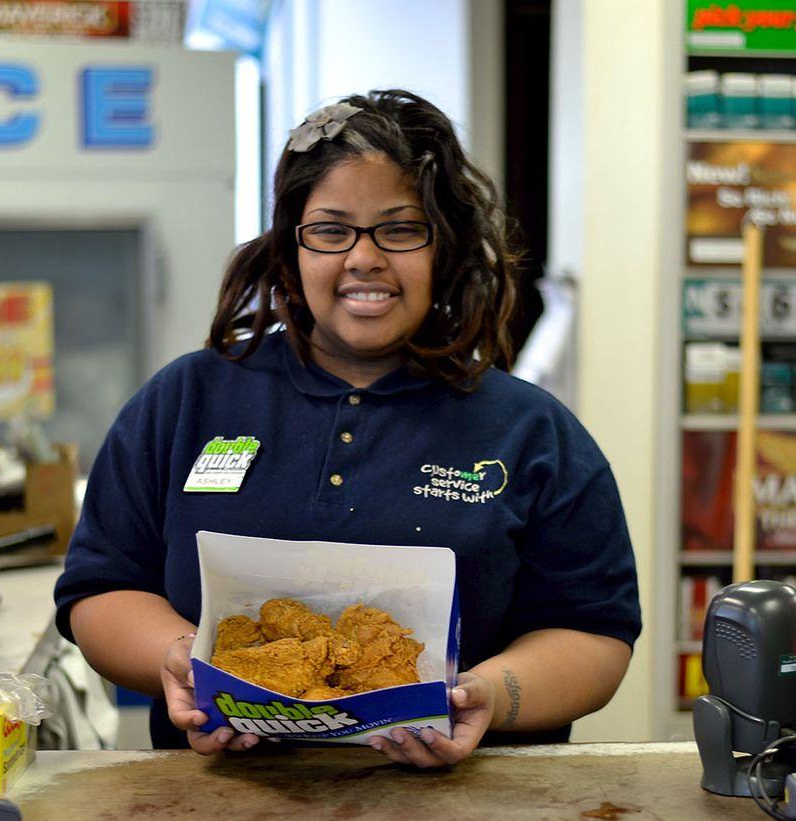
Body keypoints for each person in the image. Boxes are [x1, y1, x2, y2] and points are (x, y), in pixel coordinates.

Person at [54, 89, 640, 767]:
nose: (364, 257)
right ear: (289, 250)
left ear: (443, 248)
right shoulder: (185, 401)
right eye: (331, 230)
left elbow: (596, 632)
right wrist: (189, 665)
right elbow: (100, 590)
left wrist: (488, 695)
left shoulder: (531, 431)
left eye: (399, 228)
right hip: (219, 820)